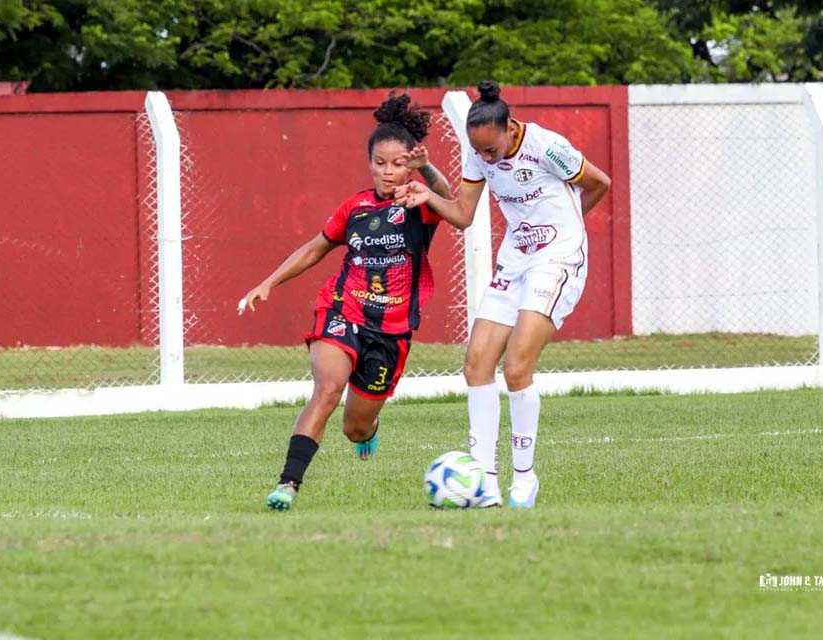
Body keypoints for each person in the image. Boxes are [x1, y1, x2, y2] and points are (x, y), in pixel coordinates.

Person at [239, 92, 465, 511]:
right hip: (343, 310)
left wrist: (426, 171)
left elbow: (449, 196)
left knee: (355, 429)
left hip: (393, 329)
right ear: (370, 162)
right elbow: (315, 247)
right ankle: (288, 484)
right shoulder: (355, 208)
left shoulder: (420, 203)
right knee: (326, 389)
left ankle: (369, 427)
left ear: (409, 163)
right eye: (380, 163)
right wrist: (269, 282)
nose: (388, 171)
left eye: (398, 163)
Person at [394, 80, 612, 509]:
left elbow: (599, 183)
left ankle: (525, 480)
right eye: (481, 152)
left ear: (511, 128)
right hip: (515, 260)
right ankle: (483, 481)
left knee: (515, 368)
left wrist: (569, 230)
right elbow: (462, 214)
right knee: (476, 364)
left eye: (492, 150)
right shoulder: (478, 155)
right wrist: (426, 195)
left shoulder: (547, 146)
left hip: (558, 258)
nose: (486, 158)